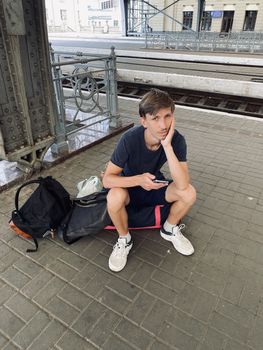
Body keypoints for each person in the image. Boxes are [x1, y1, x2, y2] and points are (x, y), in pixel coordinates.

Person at [102, 88, 196, 272]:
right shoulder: (129, 139)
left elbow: (183, 184)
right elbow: (107, 180)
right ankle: (124, 239)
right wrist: (138, 180)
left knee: (189, 193)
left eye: (167, 116)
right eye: (155, 118)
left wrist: (167, 146)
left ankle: (169, 228)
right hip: (129, 187)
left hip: (153, 186)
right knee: (114, 197)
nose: (163, 125)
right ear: (144, 121)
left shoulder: (176, 140)